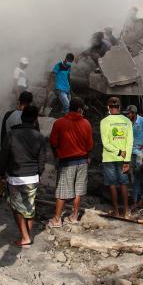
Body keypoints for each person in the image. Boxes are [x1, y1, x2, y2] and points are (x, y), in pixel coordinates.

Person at [0, 105, 46, 248]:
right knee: (29, 207)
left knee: (16, 207)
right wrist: (39, 173)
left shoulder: (11, 135)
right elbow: (42, 160)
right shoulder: (39, 136)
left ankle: (25, 237)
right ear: (36, 118)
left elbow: (4, 156)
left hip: (15, 177)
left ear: (22, 117)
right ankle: (27, 234)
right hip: (32, 177)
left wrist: (1, 173)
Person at [48, 97, 94, 227]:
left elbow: (53, 142)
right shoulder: (86, 123)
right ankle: (74, 217)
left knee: (62, 191)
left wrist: (56, 154)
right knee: (78, 190)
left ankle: (57, 219)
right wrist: (88, 156)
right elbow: (90, 145)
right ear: (79, 109)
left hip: (67, 162)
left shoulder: (59, 123)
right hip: (83, 161)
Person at [100, 97, 133, 218]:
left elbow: (105, 143)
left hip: (109, 158)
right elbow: (130, 142)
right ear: (120, 107)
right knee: (124, 183)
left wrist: (118, 152)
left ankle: (116, 211)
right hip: (123, 159)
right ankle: (126, 211)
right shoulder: (127, 121)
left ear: (108, 107)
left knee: (112, 184)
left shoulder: (104, 121)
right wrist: (127, 159)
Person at [125, 105, 143, 209]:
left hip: (140, 152)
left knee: (141, 175)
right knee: (132, 176)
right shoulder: (126, 122)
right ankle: (135, 198)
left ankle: (142, 198)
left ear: (134, 113)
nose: (127, 115)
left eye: (129, 113)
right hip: (129, 152)